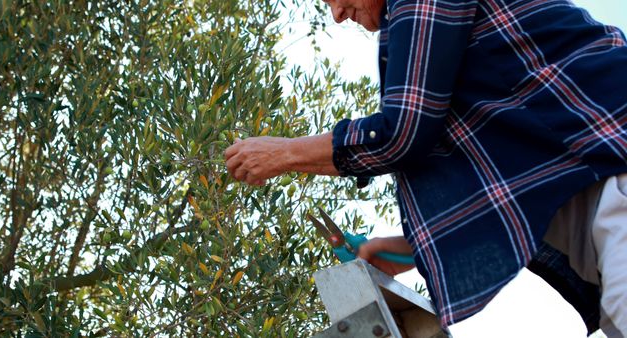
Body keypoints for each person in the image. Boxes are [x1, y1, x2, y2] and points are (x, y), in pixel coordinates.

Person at [225, 0, 627, 336]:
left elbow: (402, 134)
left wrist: (286, 154)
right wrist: (409, 252)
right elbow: (512, 186)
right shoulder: (447, 49)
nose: (336, 14)